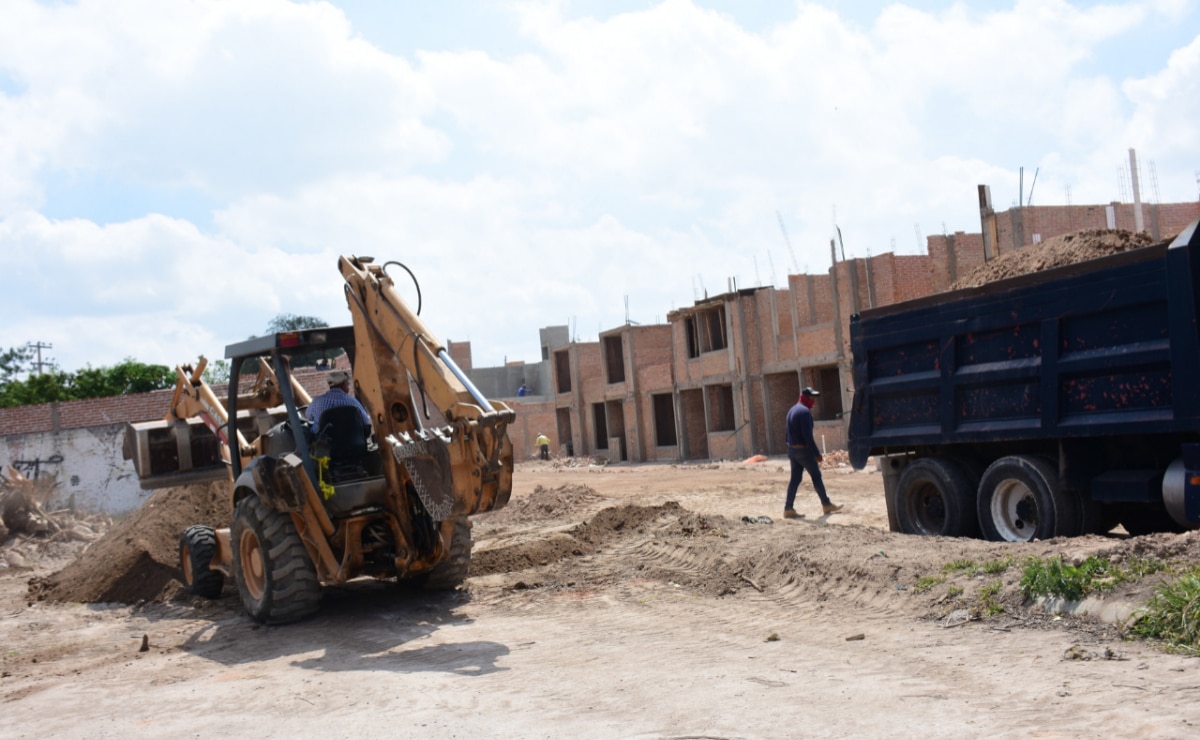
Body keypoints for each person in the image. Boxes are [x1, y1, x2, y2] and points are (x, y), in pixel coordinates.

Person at [783, 387, 842, 519]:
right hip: (804, 450)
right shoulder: (804, 412)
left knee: (795, 479)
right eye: (812, 398)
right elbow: (807, 436)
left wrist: (789, 449)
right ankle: (826, 504)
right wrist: (816, 453)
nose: (813, 401)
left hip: (792, 450)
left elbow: (786, 434)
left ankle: (788, 508)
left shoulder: (791, 410)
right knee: (816, 476)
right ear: (805, 397)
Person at [306, 369, 371, 431]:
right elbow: (365, 421)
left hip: (322, 441)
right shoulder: (353, 402)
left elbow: (308, 417)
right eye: (347, 383)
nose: (348, 385)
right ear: (343, 385)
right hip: (351, 441)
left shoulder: (316, 402)